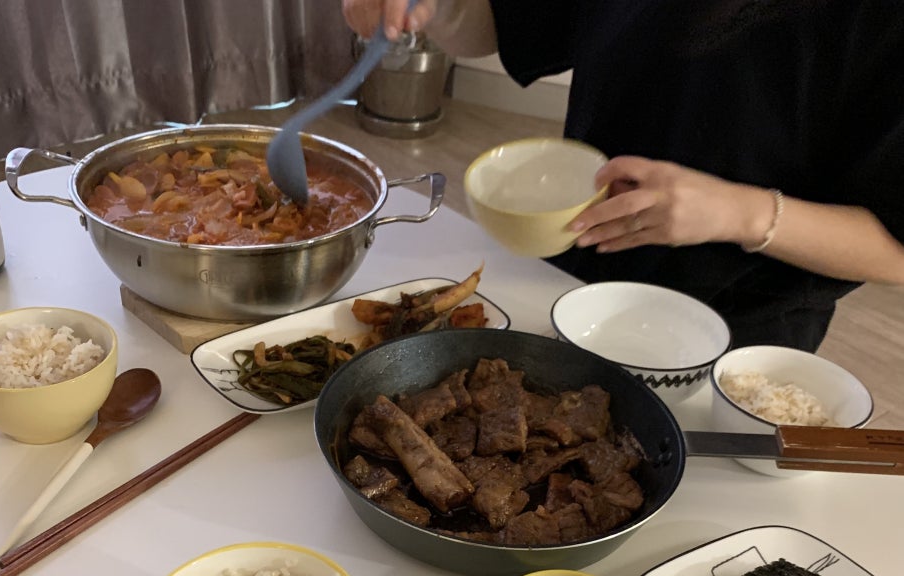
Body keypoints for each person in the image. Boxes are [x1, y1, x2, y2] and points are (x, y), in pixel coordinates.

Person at [342, 0, 904, 351]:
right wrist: (433, 7)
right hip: (574, 272)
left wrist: (740, 212)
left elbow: (895, 251)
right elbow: (503, 22)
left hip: (739, 327)